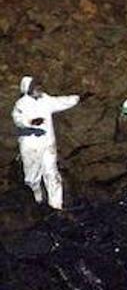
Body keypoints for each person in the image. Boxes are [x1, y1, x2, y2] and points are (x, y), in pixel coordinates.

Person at [11, 77, 79, 210]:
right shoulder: (21, 104)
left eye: (38, 85)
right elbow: (17, 119)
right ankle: (37, 199)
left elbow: (61, 102)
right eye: (34, 86)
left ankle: (56, 204)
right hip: (30, 145)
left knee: (52, 173)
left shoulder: (45, 100)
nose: (38, 88)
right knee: (32, 176)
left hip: (48, 143)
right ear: (28, 89)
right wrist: (30, 123)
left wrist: (76, 98)